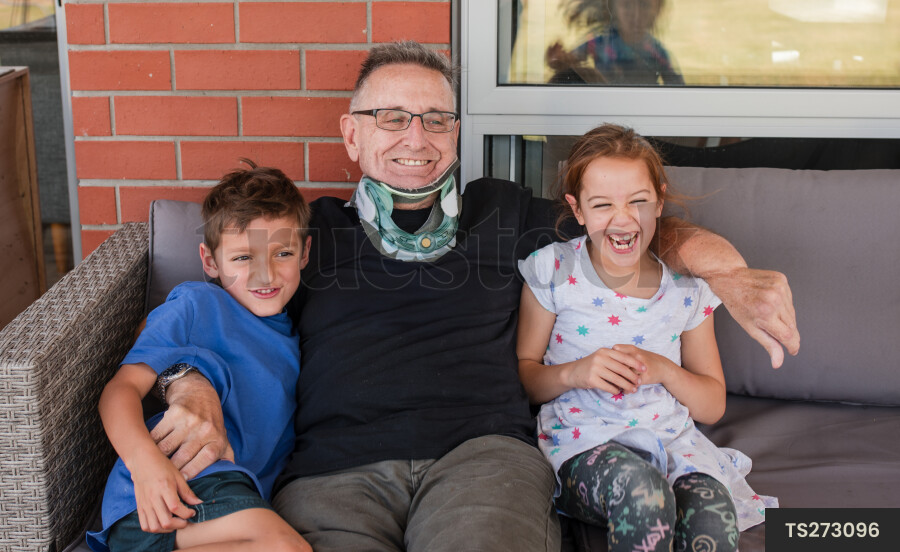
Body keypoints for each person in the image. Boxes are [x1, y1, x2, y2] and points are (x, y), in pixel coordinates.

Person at [148, 41, 799, 552]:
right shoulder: (309, 233)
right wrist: (187, 384)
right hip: (334, 473)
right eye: (392, 118)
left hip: (484, 459)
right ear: (352, 135)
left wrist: (731, 277)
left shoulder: (504, 210)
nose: (416, 137)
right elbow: (214, 318)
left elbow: (636, 229)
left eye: (435, 119)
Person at [517, 125, 777, 552]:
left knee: (713, 520)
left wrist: (664, 371)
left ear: (659, 199)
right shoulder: (553, 271)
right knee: (646, 496)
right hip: (583, 443)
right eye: (602, 205)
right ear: (577, 210)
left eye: (638, 202)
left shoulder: (688, 289)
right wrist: (576, 373)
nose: (623, 219)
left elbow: (712, 405)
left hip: (672, 441)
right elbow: (525, 378)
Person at [86, 163, 313, 552]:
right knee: (283, 546)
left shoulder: (297, 338)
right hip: (167, 488)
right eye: (243, 258)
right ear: (210, 262)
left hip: (227, 501)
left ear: (305, 253)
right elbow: (120, 390)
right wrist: (145, 465)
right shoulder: (197, 303)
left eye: (284, 252)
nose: (265, 274)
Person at [547, 0, 684, 86]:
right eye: (627, 5)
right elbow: (570, 64)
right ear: (614, 10)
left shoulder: (656, 52)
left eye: (644, 4)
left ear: (657, 10)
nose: (635, 13)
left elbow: (678, 89)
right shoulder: (599, 42)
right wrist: (558, 59)